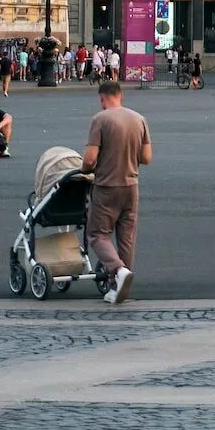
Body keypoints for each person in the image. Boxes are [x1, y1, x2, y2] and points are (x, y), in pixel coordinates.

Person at [83, 80, 151, 304]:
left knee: (97, 234)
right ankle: (118, 287)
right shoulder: (139, 119)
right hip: (131, 186)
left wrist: (85, 169)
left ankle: (119, 271)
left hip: (106, 186)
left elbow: (90, 158)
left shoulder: (100, 119)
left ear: (102, 98)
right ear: (121, 95)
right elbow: (146, 158)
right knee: (126, 238)